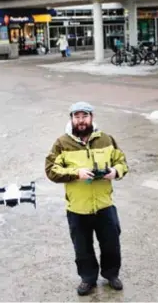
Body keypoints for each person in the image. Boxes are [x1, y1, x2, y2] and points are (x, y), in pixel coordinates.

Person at [45, 101, 129, 296]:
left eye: (84, 116)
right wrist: (77, 173)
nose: (81, 121)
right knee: (82, 248)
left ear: (92, 118)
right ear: (71, 119)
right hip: (77, 207)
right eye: (77, 117)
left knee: (111, 244)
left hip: (104, 205)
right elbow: (51, 170)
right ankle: (88, 278)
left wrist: (114, 172)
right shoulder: (61, 143)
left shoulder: (106, 140)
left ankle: (111, 274)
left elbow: (122, 162)